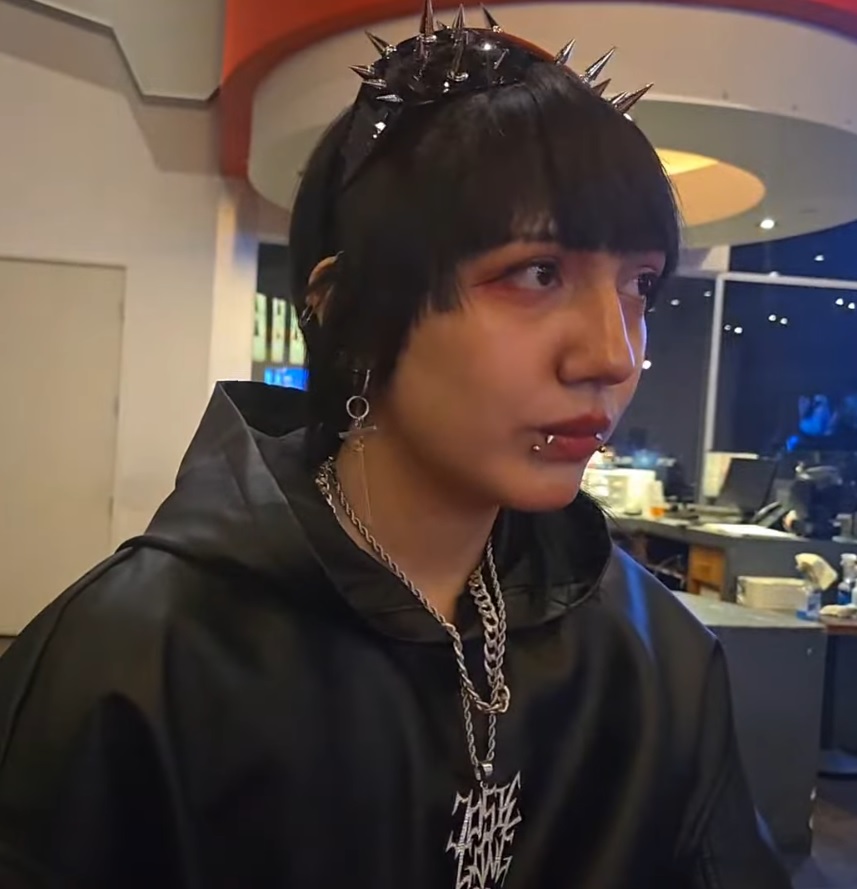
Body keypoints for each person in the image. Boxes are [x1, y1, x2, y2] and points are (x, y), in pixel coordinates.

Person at [0, 4, 791, 888]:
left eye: (639, 283)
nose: (613, 353)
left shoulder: (653, 659)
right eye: (537, 273)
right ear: (347, 310)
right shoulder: (137, 660)